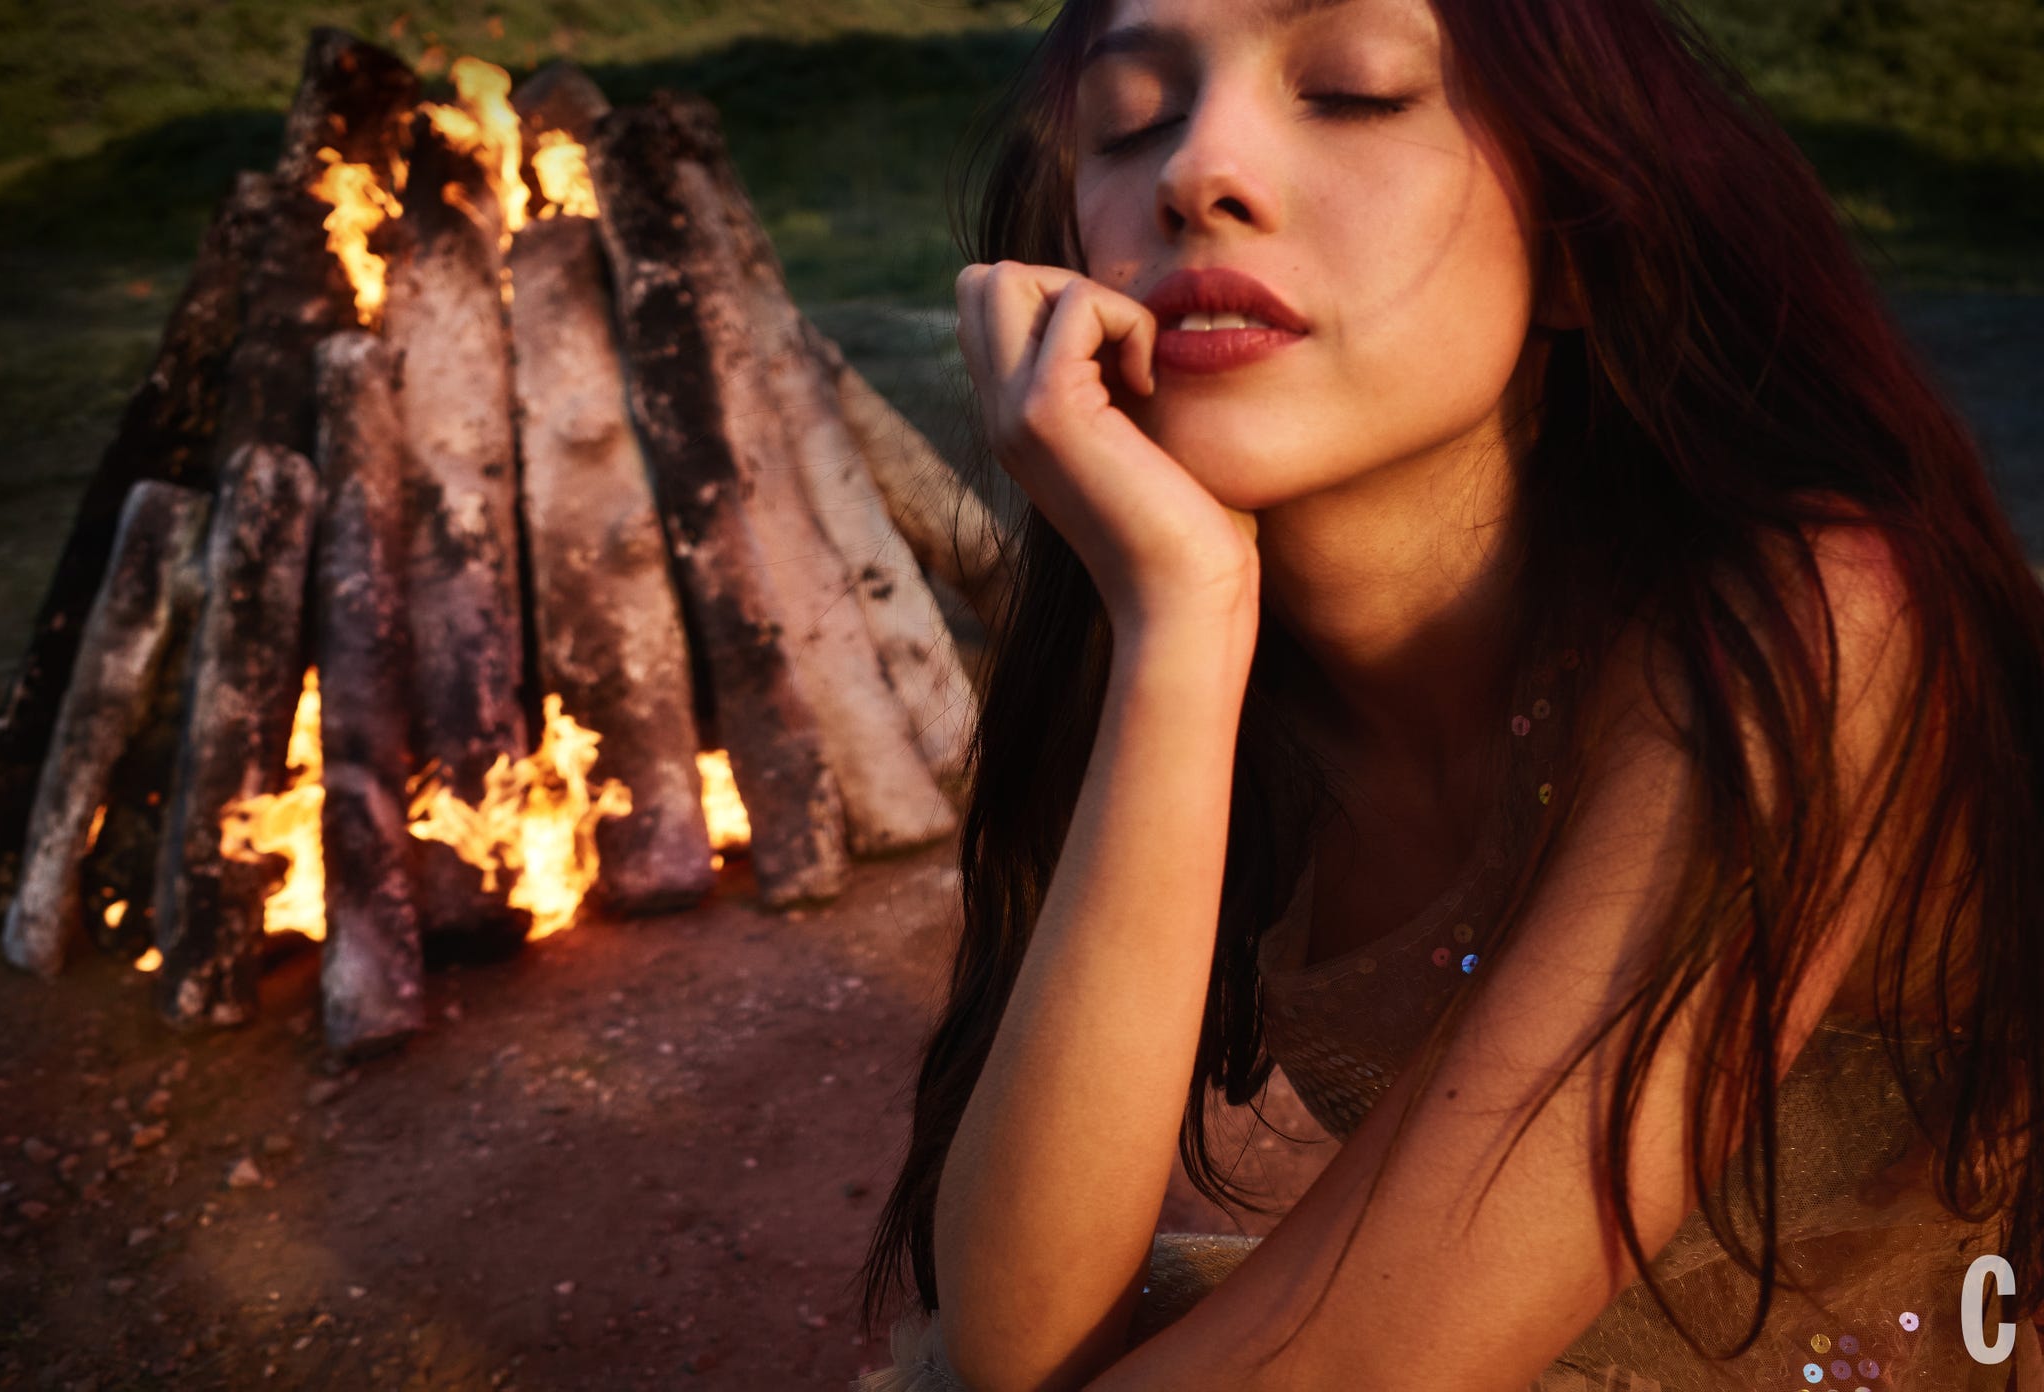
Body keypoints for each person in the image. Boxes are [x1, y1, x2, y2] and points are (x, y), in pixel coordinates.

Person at [852, 0, 2044, 1387]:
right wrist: (1178, 622)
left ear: (1576, 245)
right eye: (1131, 118)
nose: (1196, 172)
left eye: (1356, 91)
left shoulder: (1808, 629)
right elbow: (1008, 1347)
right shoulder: (1222, 693)